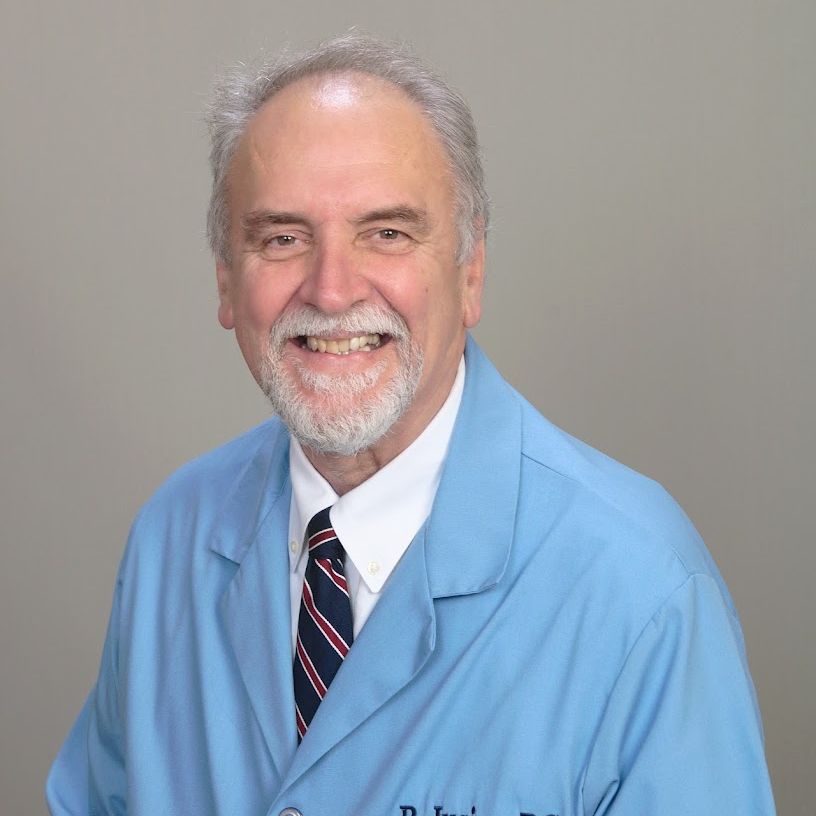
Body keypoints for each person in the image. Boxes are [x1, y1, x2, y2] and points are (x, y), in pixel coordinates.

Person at [47, 33, 776, 816]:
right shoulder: (171, 541)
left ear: (471, 270)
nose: (331, 291)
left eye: (387, 233)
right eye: (283, 238)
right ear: (227, 281)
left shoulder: (641, 590)